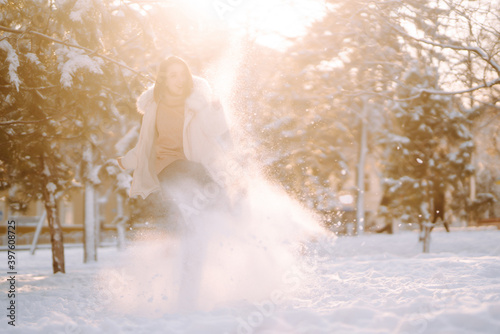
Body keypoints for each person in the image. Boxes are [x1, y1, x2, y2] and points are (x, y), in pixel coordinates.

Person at [117, 56, 233, 229]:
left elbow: (214, 130)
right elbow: (146, 142)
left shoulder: (197, 102)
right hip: (167, 165)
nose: (180, 80)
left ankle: (226, 230)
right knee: (200, 179)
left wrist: (216, 109)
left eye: (183, 75)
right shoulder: (154, 107)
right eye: (173, 75)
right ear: (164, 79)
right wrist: (124, 162)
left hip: (193, 163)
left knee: (214, 194)